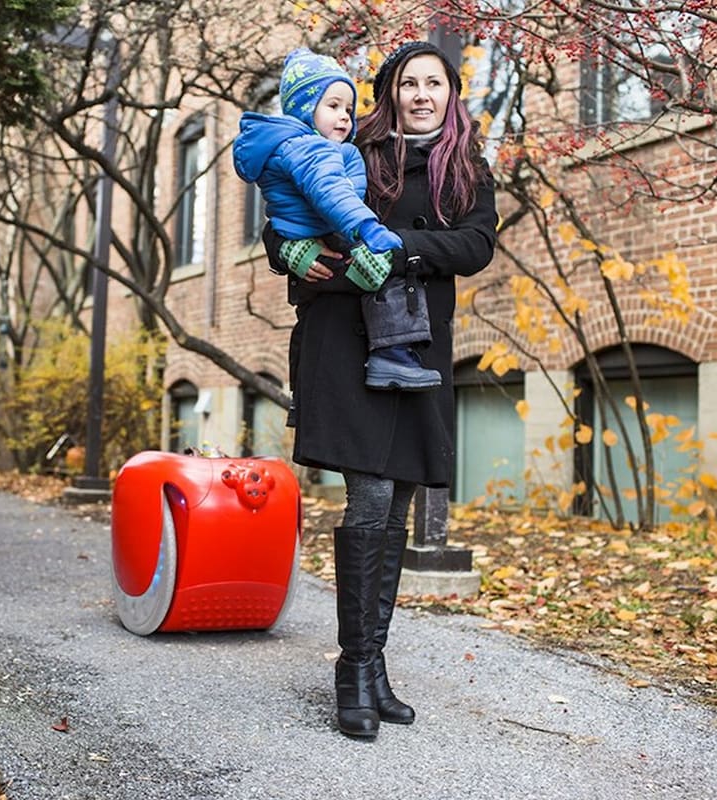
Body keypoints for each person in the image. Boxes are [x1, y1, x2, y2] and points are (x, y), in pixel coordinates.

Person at [264, 40, 498, 739]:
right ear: (388, 92)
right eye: (407, 83)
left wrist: (401, 246)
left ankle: (373, 667)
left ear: (450, 94)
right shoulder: (353, 149)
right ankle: (352, 673)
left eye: (435, 83)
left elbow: (477, 245)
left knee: (396, 499)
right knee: (370, 493)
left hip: (420, 341)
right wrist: (291, 253)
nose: (421, 94)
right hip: (348, 336)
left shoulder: (466, 167)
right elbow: (286, 210)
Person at [234, 48, 442, 391]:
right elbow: (331, 192)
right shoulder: (310, 149)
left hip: (315, 229)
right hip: (324, 231)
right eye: (333, 107)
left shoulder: (309, 144)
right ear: (305, 109)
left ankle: (392, 354)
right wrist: (367, 228)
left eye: (348, 108)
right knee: (385, 273)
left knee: (380, 270)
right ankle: (392, 354)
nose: (345, 117)